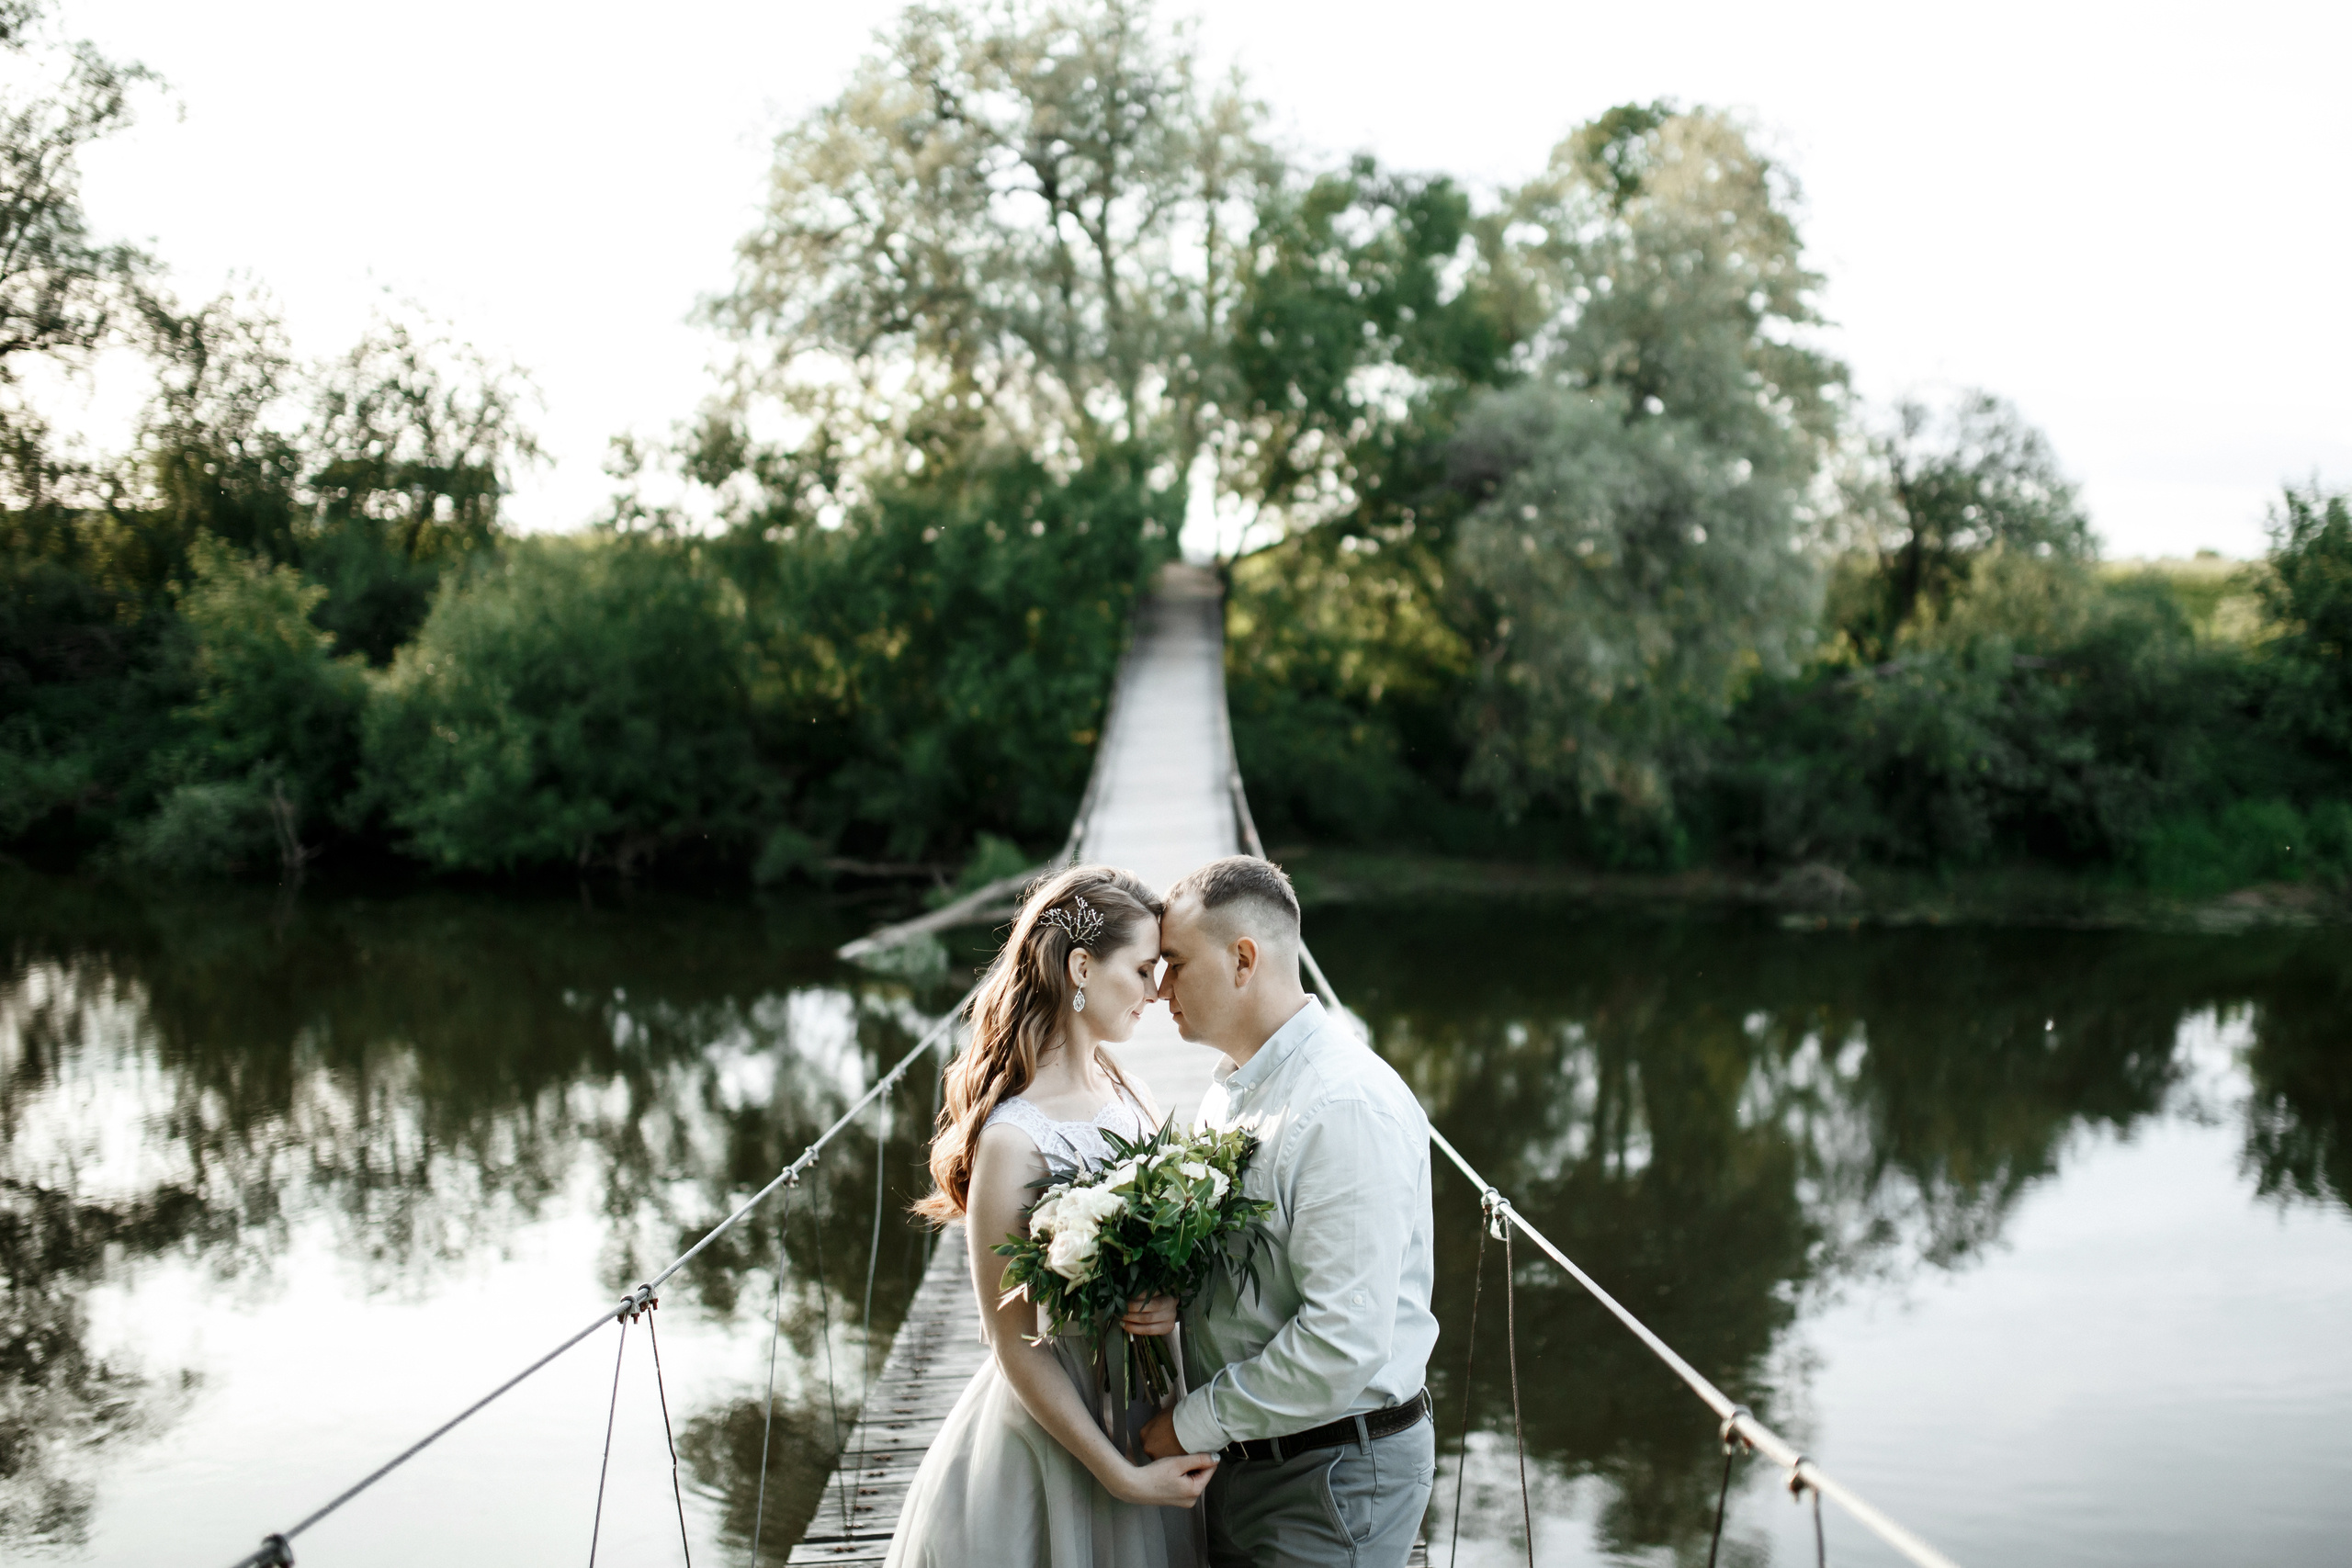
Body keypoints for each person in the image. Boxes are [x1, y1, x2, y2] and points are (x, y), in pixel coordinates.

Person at [892, 865, 1216, 1568]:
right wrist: (1119, 1474)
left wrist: (1166, 1299)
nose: (1158, 991)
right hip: (1062, 1439)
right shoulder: (1014, 1139)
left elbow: (1162, 1249)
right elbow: (1013, 1344)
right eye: (1141, 968)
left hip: (1144, 1403)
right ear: (1080, 966)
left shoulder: (1127, 1084)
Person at [1129, 855, 1438, 1568]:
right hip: (1253, 1458)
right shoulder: (1235, 1085)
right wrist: (1187, 1292)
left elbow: (1341, 1340)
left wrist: (1188, 1423)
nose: (1160, 986)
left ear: (1244, 959)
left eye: (1175, 962)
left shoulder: (1342, 1107)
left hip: (1332, 1476)